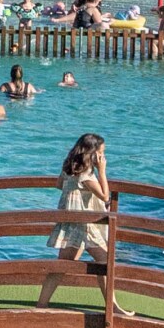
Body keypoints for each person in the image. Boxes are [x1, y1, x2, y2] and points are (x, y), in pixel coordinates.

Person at [38, 133, 126, 314]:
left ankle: (41, 305)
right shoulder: (86, 175)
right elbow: (105, 196)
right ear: (92, 153)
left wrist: (75, 196)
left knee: (62, 266)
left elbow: (59, 185)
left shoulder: (70, 167)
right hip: (84, 226)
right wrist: (102, 171)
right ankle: (113, 307)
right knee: (104, 262)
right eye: (101, 154)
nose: (103, 158)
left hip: (73, 224)